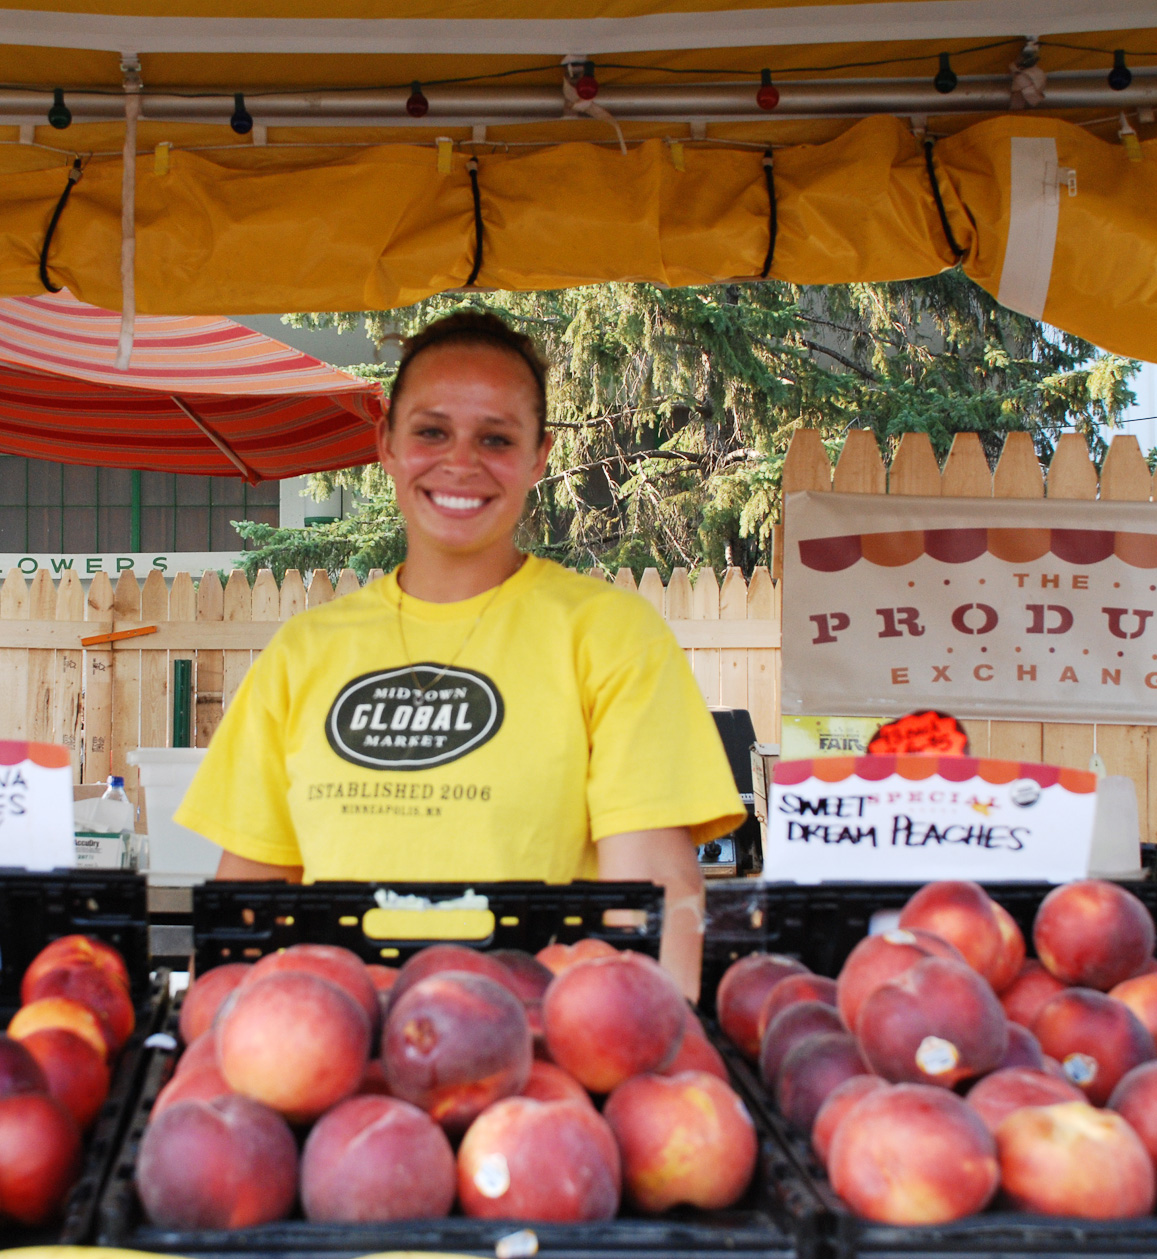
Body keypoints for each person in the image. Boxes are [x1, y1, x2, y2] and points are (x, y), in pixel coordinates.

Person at [175, 310, 746, 998]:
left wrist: (638, 1059)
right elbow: (247, 903)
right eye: (431, 431)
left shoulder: (609, 633)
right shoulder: (305, 651)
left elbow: (649, 895)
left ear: (539, 455)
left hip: (535, 1058)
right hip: (341, 1059)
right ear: (385, 442)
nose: (460, 462)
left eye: (496, 438)